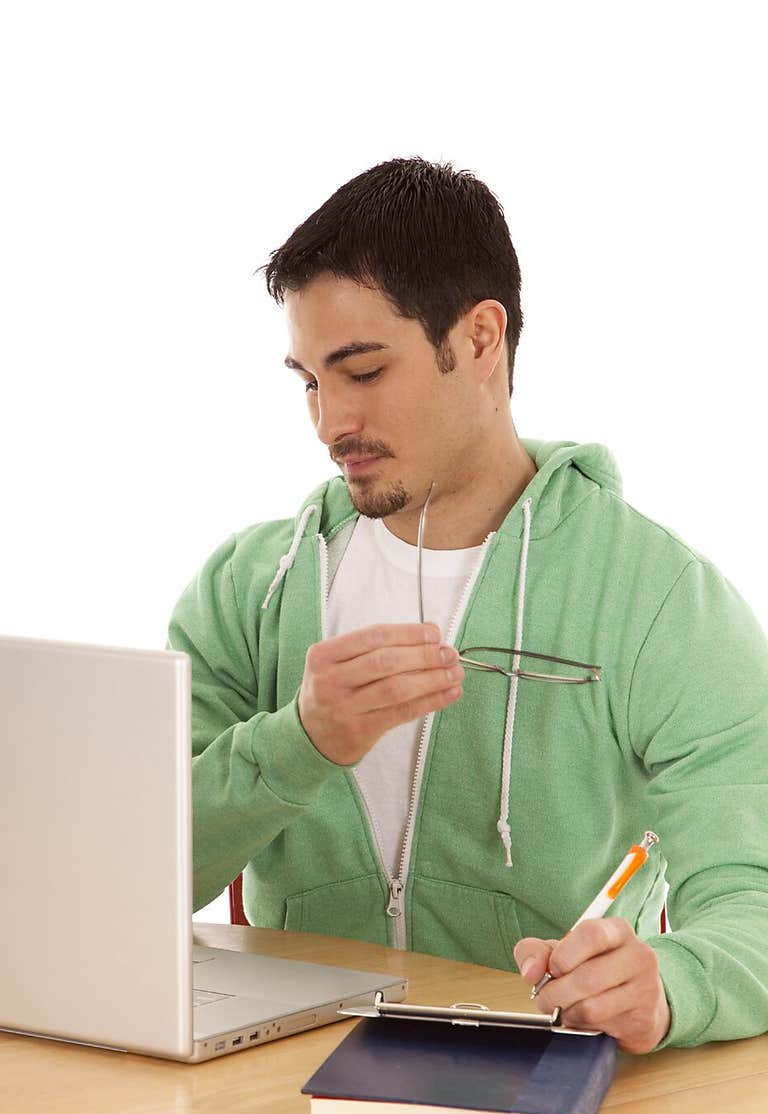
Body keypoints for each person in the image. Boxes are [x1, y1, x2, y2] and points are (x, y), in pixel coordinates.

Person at [168, 156, 768, 1054]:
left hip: (534, 1091)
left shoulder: (657, 598)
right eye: (308, 380)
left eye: (363, 371)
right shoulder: (250, 586)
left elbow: (751, 899)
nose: (329, 421)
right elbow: (133, 874)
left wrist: (670, 986)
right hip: (272, 1101)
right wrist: (301, 743)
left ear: (482, 339)